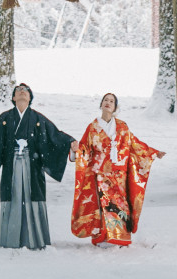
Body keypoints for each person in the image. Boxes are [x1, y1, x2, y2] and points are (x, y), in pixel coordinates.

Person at [0, 83, 76, 249]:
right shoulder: (5, 118)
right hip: (11, 165)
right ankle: (11, 239)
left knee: (32, 195)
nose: (22, 92)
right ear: (13, 98)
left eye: (25, 91)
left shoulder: (38, 119)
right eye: (18, 91)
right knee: (12, 196)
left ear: (30, 97)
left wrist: (70, 143)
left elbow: (55, 135)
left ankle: (36, 239)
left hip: (32, 165)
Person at [71, 92, 165, 246]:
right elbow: (85, 149)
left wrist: (152, 153)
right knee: (101, 206)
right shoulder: (92, 127)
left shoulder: (122, 127)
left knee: (120, 205)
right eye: (106, 100)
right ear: (101, 104)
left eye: (112, 101)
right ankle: (102, 238)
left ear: (115, 107)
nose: (108, 103)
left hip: (119, 175)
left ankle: (120, 237)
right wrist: (77, 149)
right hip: (100, 174)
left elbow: (134, 144)